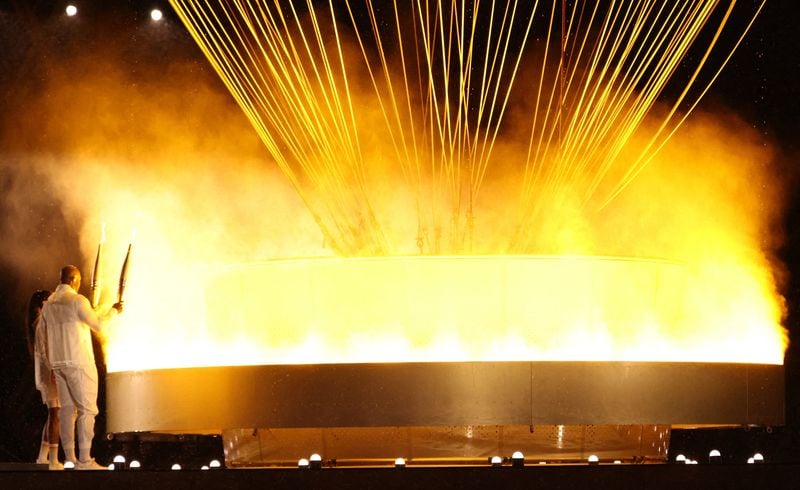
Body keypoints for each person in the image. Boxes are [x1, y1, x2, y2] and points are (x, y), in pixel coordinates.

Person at [40, 265, 122, 470]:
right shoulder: (77, 300)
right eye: (79, 280)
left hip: (58, 364)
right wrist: (114, 311)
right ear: (74, 279)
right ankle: (85, 460)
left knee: (68, 411)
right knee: (87, 410)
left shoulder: (49, 304)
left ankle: (70, 458)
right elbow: (99, 326)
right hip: (79, 362)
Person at [26, 289, 63, 470]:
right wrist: (54, 370)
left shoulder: (40, 322)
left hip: (48, 372)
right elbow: (46, 350)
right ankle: (52, 459)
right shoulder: (41, 323)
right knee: (55, 413)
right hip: (49, 373)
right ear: (43, 304)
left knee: (54, 413)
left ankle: (44, 456)